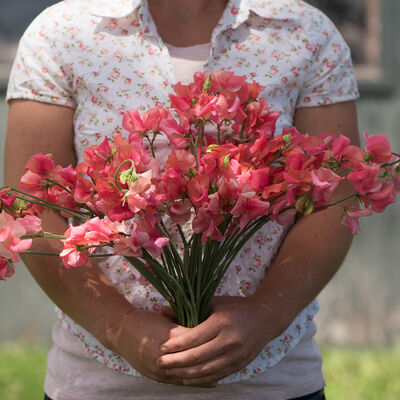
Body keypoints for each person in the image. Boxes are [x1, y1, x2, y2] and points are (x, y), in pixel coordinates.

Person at [4, 0, 360, 399]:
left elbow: (336, 195)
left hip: (272, 381)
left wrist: (266, 314)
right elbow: (30, 206)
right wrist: (117, 326)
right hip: (101, 383)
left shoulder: (303, 30)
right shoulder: (63, 31)